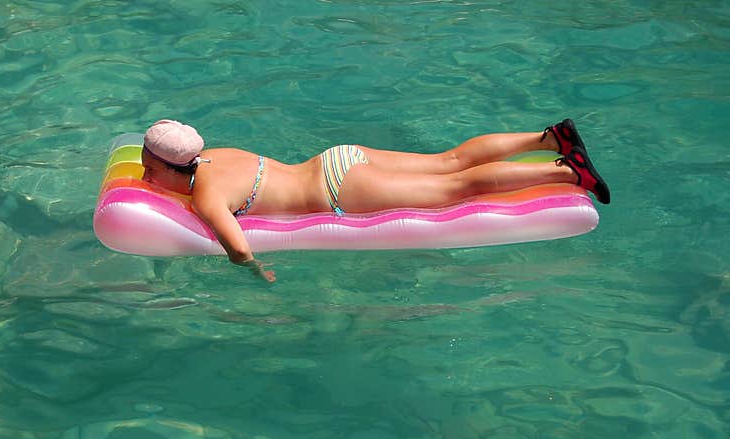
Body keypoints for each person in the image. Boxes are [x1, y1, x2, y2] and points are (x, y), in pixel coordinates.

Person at [141, 118, 611, 282]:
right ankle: (549, 138)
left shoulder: (205, 194)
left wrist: (257, 277)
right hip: (336, 160)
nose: (145, 174)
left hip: (338, 192)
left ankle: (567, 171)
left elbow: (240, 248)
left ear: (168, 167)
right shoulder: (216, 157)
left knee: (457, 189)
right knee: (448, 162)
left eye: (148, 168)